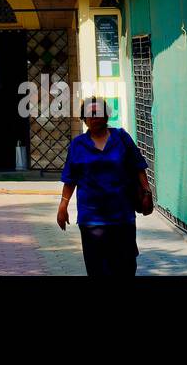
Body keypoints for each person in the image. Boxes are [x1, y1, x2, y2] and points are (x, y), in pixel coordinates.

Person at [57, 96, 151, 275]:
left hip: (122, 216)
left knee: (125, 267)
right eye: (89, 114)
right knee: (97, 269)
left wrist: (146, 192)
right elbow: (70, 178)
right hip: (91, 219)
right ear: (84, 119)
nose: (94, 117)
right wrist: (63, 205)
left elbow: (138, 167)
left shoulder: (121, 138)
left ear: (106, 116)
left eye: (98, 113)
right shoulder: (78, 145)